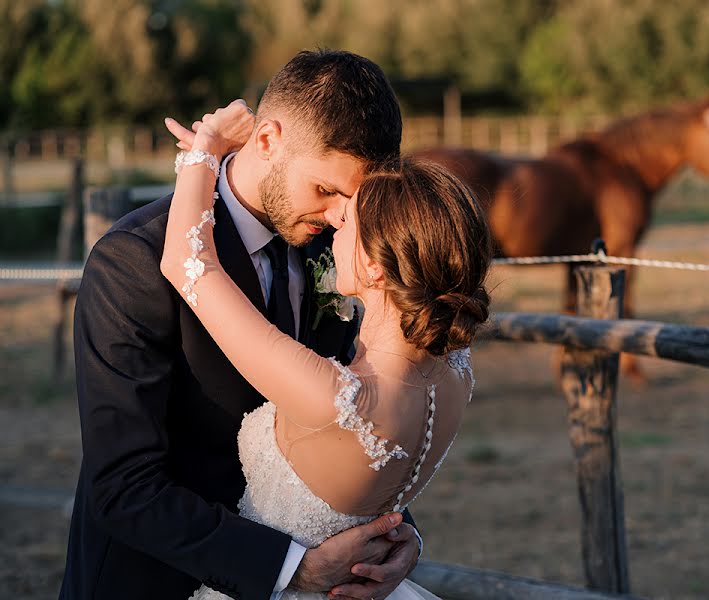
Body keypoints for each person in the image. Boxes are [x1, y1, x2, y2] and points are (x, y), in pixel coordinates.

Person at [61, 50, 430, 600]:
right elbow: (123, 488)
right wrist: (290, 568)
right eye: (326, 190)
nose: (337, 217)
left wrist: (394, 533)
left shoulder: (340, 253)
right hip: (160, 583)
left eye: (353, 201)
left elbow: (361, 413)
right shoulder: (132, 263)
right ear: (266, 141)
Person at [159, 101, 491, 599]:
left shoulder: (335, 400)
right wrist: (408, 538)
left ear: (377, 269)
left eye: (350, 218)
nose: (336, 220)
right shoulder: (456, 376)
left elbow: (189, 263)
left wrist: (205, 150)